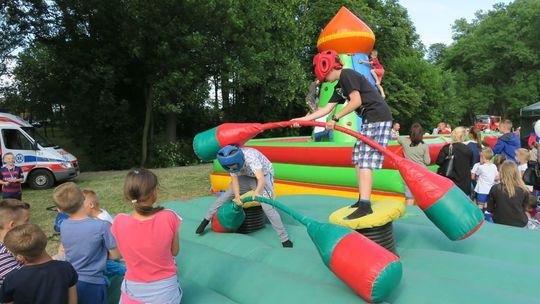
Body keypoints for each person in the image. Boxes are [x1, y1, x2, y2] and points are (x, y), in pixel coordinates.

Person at [292, 50, 393, 219]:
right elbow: (325, 109)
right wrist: (303, 119)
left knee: (365, 160)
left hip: (378, 117)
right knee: (357, 158)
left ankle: (366, 205)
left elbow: (356, 101)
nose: (323, 80)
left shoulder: (347, 75)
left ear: (327, 67)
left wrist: (336, 118)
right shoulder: (339, 86)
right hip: (371, 119)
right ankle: (362, 199)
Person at [196, 146, 293, 247]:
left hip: (263, 176)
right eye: (229, 167)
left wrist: (257, 192)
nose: (231, 169)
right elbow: (235, 181)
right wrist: (237, 196)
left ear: (239, 160)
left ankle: (284, 239)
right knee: (226, 195)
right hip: (246, 176)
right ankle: (205, 220)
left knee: (267, 207)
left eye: (233, 167)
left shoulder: (251, 157)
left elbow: (261, 179)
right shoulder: (229, 162)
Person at [111, 169, 182, 303]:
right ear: (154, 193)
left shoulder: (119, 221)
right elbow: (175, 251)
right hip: (165, 292)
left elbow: (120, 253)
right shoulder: (169, 216)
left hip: (133, 291)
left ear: (128, 195)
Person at [53, 182, 121, 304]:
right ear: (83, 198)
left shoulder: (63, 225)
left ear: (60, 209)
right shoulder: (101, 226)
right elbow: (116, 255)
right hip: (94, 283)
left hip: (71, 280)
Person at [0, 223, 77, 304]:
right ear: (45, 240)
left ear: (20, 257)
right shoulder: (65, 267)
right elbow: (73, 300)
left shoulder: (12, 279)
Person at [487, 161, 529, 227]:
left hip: (499, 222)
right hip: (520, 223)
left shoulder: (495, 188)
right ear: (516, 173)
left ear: (502, 173)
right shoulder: (524, 189)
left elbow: (490, 208)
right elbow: (525, 208)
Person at [397, 123, 430, 205]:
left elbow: (398, 138)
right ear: (421, 133)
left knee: (409, 197)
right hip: (422, 173)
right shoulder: (424, 145)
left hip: (409, 171)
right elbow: (427, 161)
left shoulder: (404, 141)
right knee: (423, 196)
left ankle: (408, 212)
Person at [0, 199, 30, 288]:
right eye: (26, 221)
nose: (30, 225)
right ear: (12, 225)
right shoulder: (3, 256)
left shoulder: (13, 244)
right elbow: (24, 284)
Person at [436, 127, 474, 195]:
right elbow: (471, 164)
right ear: (464, 136)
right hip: (464, 182)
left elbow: (438, 162)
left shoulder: (447, 148)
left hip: (450, 181)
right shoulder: (468, 149)